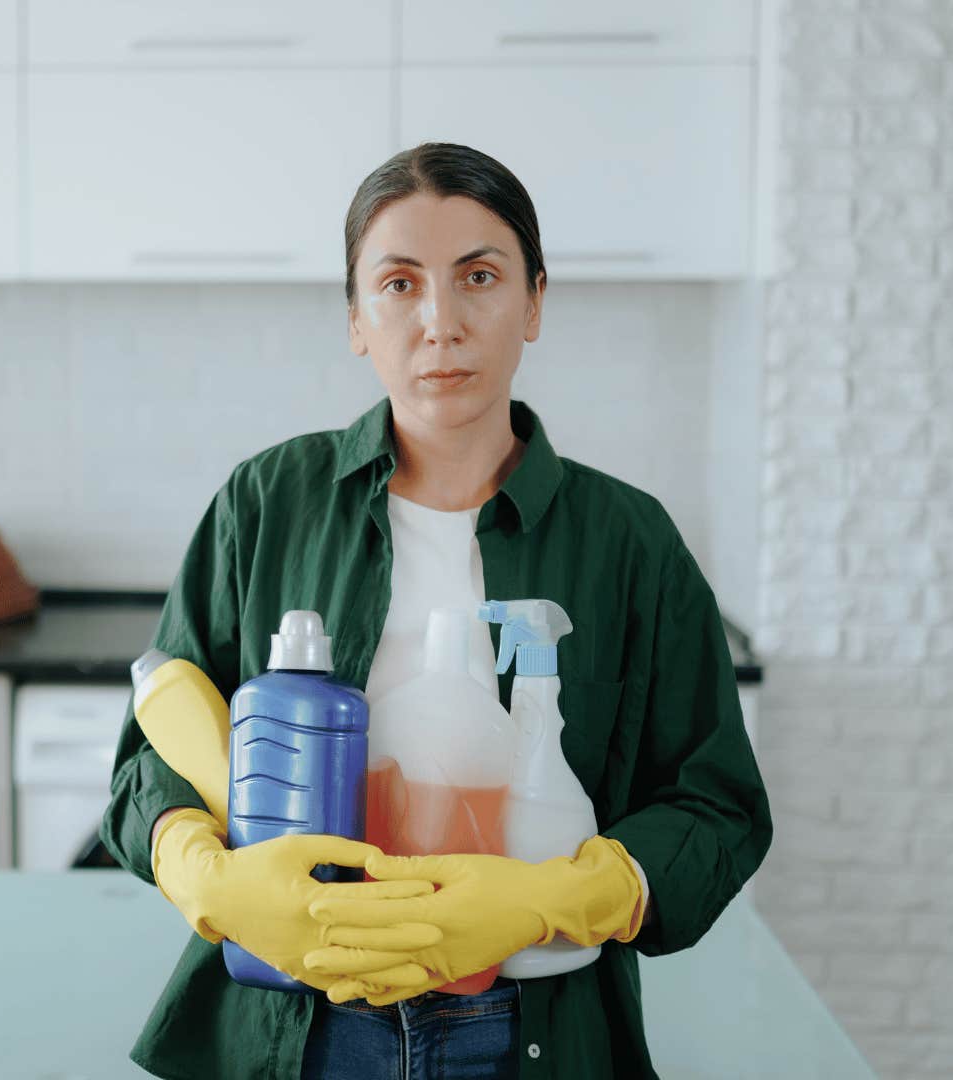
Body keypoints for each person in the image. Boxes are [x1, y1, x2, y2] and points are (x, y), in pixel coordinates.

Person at [100, 142, 772, 1079]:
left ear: (535, 301)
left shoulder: (628, 542)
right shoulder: (268, 504)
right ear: (356, 319)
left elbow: (719, 806)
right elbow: (147, 764)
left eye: (479, 277)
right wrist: (205, 877)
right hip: (297, 1031)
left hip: (525, 1034)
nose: (441, 323)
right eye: (400, 283)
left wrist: (557, 901)